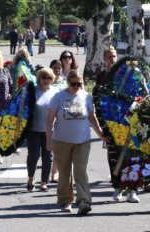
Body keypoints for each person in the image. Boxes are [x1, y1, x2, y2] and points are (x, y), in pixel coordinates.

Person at [45, 70, 108, 215]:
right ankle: (65, 201)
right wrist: (49, 141)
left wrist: (100, 134)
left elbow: (92, 118)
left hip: (83, 141)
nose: (76, 87)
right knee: (65, 173)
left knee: (80, 171)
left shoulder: (86, 97)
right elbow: (48, 122)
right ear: (68, 83)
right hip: (61, 141)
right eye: (73, 84)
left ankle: (84, 201)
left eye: (79, 84)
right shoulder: (58, 97)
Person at [93, 48, 128, 202]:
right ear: (104, 59)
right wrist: (102, 123)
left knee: (127, 153)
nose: (112, 59)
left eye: (114, 56)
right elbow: (99, 100)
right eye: (109, 57)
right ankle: (116, 183)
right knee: (113, 152)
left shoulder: (124, 74)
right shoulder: (102, 76)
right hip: (109, 120)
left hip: (125, 120)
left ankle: (129, 183)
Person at [26, 68, 57, 192]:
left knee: (47, 156)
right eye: (43, 78)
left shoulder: (56, 92)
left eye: (49, 78)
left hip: (50, 130)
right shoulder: (33, 91)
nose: (46, 80)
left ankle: (44, 182)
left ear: (52, 79)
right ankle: (30, 177)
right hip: (33, 129)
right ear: (39, 79)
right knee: (33, 154)